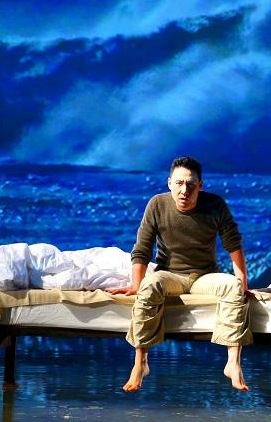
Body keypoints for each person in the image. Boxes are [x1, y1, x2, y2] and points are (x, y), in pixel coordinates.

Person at [107, 156, 252, 392]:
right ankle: (140, 363)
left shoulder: (215, 205)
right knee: (148, 285)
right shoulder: (157, 204)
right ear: (169, 183)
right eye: (179, 183)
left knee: (234, 286)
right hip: (170, 275)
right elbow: (142, 249)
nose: (184, 190)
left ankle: (233, 364)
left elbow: (234, 245)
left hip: (205, 276)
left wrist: (243, 284)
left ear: (200, 185)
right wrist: (136, 285)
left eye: (191, 184)